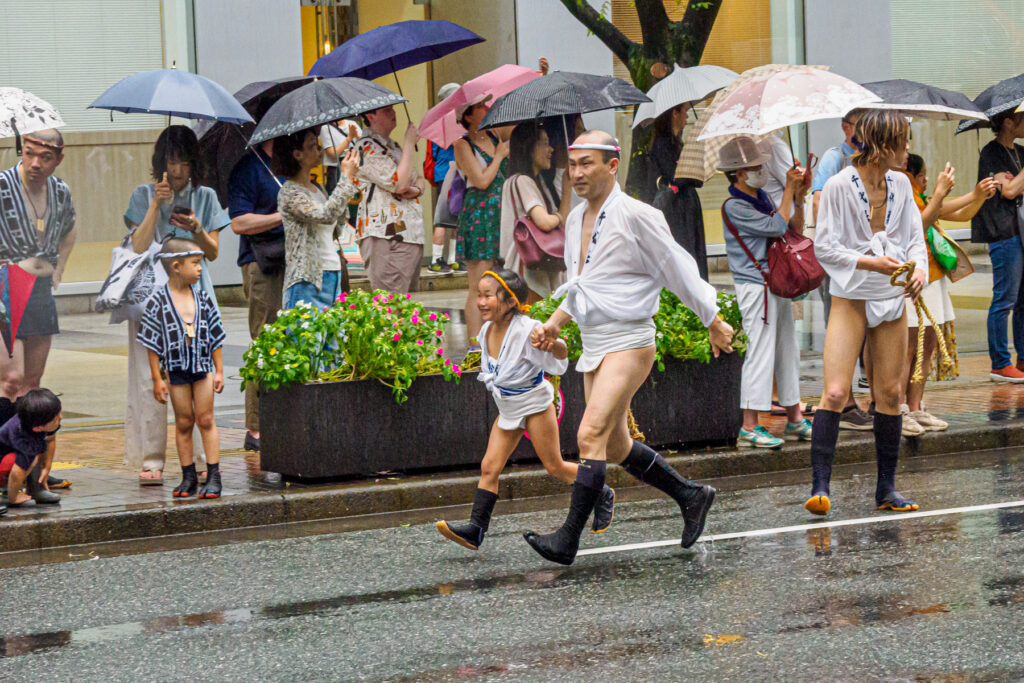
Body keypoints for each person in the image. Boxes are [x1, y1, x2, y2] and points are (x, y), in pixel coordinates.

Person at [524, 131, 736, 565]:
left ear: (613, 165)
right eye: (573, 164)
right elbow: (584, 285)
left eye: (587, 163)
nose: (577, 173)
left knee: (588, 434)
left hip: (631, 339)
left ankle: (567, 539)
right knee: (615, 445)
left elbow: (677, 268)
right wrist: (555, 321)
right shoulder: (573, 219)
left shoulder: (638, 215)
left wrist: (712, 319)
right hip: (596, 341)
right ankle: (691, 496)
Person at [436, 268, 614, 550]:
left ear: (509, 302)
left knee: (554, 466)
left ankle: (601, 491)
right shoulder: (486, 331)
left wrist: (555, 346)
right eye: (478, 295)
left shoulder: (528, 329)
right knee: (489, 467)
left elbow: (559, 357)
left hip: (533, 405)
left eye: (488, 296)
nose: (481, 302)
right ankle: (476, 530)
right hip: (508, 407)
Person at [809, 110, 927, 517]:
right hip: (851, 295)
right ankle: (820, 487)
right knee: (837, 391)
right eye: (903, 142)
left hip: (891, 297)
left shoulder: (902, 184)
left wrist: (921, 274)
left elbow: (915, 240)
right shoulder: (841, 185)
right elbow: (824, 247)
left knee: (891, 394)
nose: (908, 150)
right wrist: (868, 262)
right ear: (882, 145)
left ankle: (886, 489)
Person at [125, 125, 228, 485]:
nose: (177, 170)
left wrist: (197, 228)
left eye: (183, 162)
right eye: (171, 161)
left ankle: (201, 459)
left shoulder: (206, 197)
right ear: (160, 163)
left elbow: (213, 253)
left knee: (196, 373)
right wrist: (156, 203)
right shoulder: (143, 195)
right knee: (151, 378)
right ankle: (152, 458)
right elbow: (137, 246)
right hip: (154, 300)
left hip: (197, 299)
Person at [719, 136, 812, 449]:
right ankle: (749, 426)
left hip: (774, 283)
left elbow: (792, 226)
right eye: (757, 167)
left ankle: (795, 419)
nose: (763, 171)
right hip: (756, 285)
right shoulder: (734, 206)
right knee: (760, 352)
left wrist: (798, 196)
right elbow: (775, 227)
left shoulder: (761, 198)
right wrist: (788, 189)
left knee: (787, 349)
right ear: (740, 173)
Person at [902, 154, 997, 432]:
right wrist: (945, 194)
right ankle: (900, 409)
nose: (927, 180)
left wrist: (977, 195)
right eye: (923, 175)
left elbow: (954, 212)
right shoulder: (899, 187)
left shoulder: (918, 193)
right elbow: (922, 222)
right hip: (913, 278)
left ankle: (916, 407)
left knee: (926, 347)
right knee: (909, 348)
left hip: (933, 275)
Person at [137, 238, 226, 499]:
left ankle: (214, 474)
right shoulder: (158, 302)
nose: (200, 269)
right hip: (175, 370)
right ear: (176, 266)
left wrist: (219, 370)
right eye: (195, 264)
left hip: (203, 368)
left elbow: (215, 336)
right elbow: (152, 343)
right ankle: (188, 475)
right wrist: (157, 378)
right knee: (184, 422)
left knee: (206, 419)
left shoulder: (204, 299)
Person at [0, 130, 76, 413]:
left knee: (31, 381)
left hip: (41, 288)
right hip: (6, 287)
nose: (35, 163)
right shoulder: (3, 185)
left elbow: (70, 228)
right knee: (10, 378)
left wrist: (60, 267)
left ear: (58, 159)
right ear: (21, 149)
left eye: (45, 157)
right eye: (29, 153)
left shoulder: (60, 190)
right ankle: (3, 451)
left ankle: (22, 451)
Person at [811, 108, 873, 431]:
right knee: (839, 327)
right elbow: (819, 201)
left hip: (862, 259)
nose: (862, 131)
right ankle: (843, 402)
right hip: (838, 259)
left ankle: (856, 396)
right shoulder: (835, 158)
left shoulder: (869, 159)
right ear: (846, 127)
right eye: (858, 125)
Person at [228, 140, 285, 453]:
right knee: (264, 340)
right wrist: (279, 216)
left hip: (290, 260)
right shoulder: (248, 168)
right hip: (260, 263)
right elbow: (239, 222)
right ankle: (256, 427)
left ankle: (281, 416)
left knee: (288, 341)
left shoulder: (290, 165)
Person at [273, 128, 359, 308]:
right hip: (306, 279)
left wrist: (347, 183)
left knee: (333, 336)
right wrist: (345, 179)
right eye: (313, 146)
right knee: (306, 335)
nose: (319, 150)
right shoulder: (290, 192)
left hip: (332, 271)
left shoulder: (318, 188)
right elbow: (325, 215)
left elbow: (337, 225)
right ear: (298, 154)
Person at [453, 94, 510, 342]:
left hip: (502, 213)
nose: (486, 108)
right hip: (478, 216)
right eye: (479, 106)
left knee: (500, 282)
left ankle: (497, 340)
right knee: (479, 284)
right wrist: (498, 156)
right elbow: (481, 180)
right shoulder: (462, 145)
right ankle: (475, 344)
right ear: (467, 115)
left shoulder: (496, 134)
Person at [973, 110, 1024, 382]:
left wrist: (1014, 182)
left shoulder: (1020, 152)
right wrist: (1014, 182)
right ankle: (1000, 363)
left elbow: (1013, 185)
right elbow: (1010, 190)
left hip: (1021, 230)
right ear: (1008, 121)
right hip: (1003, 232)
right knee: (1005, 298)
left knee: (1023, 299)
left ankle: (1023, 359)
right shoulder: (991, 153)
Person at [355, 106, 425, 295]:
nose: (393, 112)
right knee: (390, 303)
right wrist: (410, 143)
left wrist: (417, 189)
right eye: (386, 110)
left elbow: (419, 179)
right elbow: (399, 183)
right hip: (384, 234)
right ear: (371, 116)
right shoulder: (365, 147)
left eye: (392, 108)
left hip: (408, 230)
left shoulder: (393, 146)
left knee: (404, 304)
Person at [500, 123, 570, 301]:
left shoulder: (538, 182)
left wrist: (567, 188)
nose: (551, 149)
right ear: (529, 147)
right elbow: (545, 222)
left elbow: (560, 220)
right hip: (526, 275)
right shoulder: (522, 181)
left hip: (536, 271)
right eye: (545, 143)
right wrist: (559, 216)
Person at [649, 104, 709, 280]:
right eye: (685, 112)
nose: (687, 117)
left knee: (693, 251)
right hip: (676, 210)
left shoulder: (677, 143)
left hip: (687, 206)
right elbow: (675, 177)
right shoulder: (662, 144)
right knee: (685, 251)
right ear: (674, 113)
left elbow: (692, 178)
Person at [0, 388, 62, 511]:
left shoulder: (37, 420)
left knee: (35, 454)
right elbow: (17, 473)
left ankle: (35, 488)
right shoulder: (24, 440)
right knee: (30, 459)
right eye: (56, 418)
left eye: (59, 413)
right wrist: (14, 497)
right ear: (38, 428)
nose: (60, 418)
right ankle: (8, 493)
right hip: (3, 463)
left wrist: (46, 467)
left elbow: (50, 439)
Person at [426, 82, 463, 275]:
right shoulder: (447, 121)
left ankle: (452, 258)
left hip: (452, 172)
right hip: (448, 172)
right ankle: (436, 260)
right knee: (442, 218)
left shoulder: (440, 120)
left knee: (456, 216)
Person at [320, 119, 360, 195]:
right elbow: (333, 154)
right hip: (336, 170)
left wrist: (357, 136)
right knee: (339, 197)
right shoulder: (325, 128)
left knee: (356, 197)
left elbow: (362, 145)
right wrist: (349, 138)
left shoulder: (352, 123)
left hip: (355, 166)